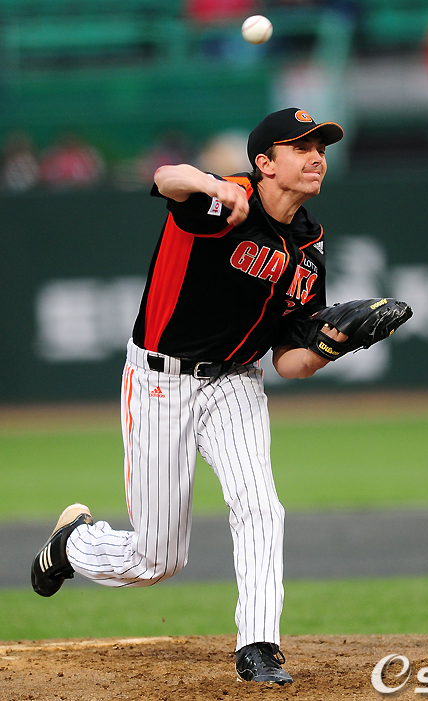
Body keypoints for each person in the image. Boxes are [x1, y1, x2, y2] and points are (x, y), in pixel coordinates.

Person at [31, 107, 346, 685]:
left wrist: (334, 345)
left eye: (320, 148)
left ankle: (258, 647)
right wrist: (214, 184)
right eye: (301, 147)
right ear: (264, 162)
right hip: (161, 379)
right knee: (157, 559)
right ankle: (74, 545)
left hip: (236, 381)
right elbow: (165, 177)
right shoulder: (223, 202)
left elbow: (289, 360)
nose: (316, 158)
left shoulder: (310, 244)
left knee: (260, 505)